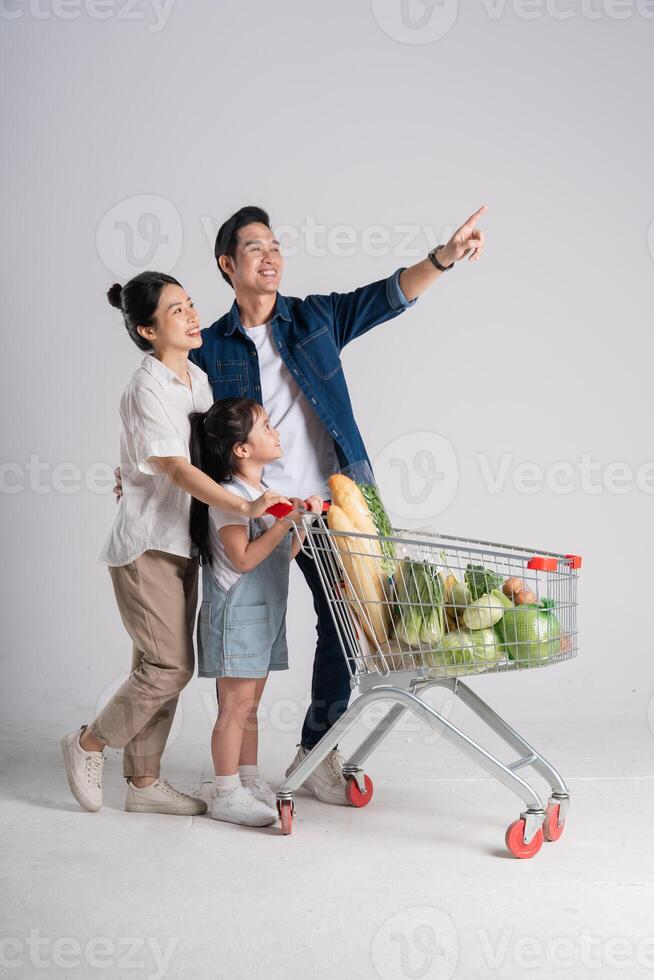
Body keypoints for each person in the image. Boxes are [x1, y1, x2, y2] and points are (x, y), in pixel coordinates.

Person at [188, 203, 487, 804]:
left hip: (331, 508)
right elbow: (177, 425)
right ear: (228, 265)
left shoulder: (314, 318)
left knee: (347, 627)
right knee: (248, 637)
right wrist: (134, 474)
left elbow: (386, 296)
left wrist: (444, 258)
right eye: (255, 248)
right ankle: (232, 779)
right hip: (256, 511)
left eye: (275, 245)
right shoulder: (207, 349)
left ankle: (316, 750)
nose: (270, 256)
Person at [61, 272, 291, 815]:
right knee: (169, 668)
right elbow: (175, 466)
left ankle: (142, 784)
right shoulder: (147, 386)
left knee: (154, 663)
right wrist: (245, 507)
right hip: (148, 545)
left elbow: (216, 457)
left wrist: (271, 501)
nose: (192, 317)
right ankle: (88, 743)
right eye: (175, 311)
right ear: (147, 329)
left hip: (184, 543)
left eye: (190, 305)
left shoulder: (197, 381)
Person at [187, 398, 322, 826]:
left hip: (263, 614)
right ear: (241, 449)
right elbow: (242, 559)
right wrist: (282, 520)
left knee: (251, 705)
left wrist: (302, 519)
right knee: (235, 707)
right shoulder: (230, 495)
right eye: (265, 426)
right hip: (238, 615)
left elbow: (281, 555)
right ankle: (225, 792)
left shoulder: (264, 496)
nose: (275, 431)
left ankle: (247, 779)